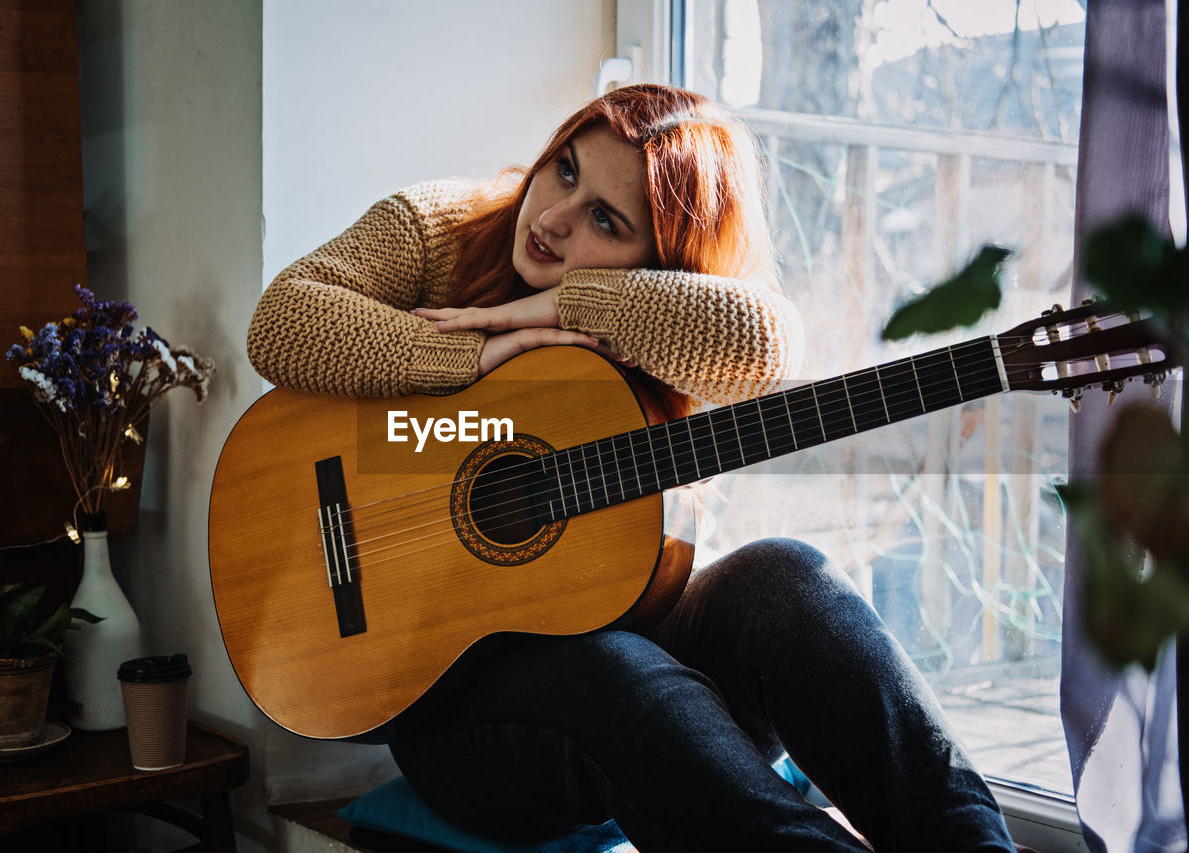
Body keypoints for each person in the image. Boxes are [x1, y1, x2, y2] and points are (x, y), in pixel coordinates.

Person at [247, 84, 1016, 852]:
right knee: (608, 667)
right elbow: (282, 322)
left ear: (658, 267)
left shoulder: (655, 317)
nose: (552, 218)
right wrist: (476, 352)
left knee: (789, 577)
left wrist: (569, 304)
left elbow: (771, 344)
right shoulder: (439, 228)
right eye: (566, 170)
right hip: (458, 714)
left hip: (638, 678)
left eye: (605, 221)